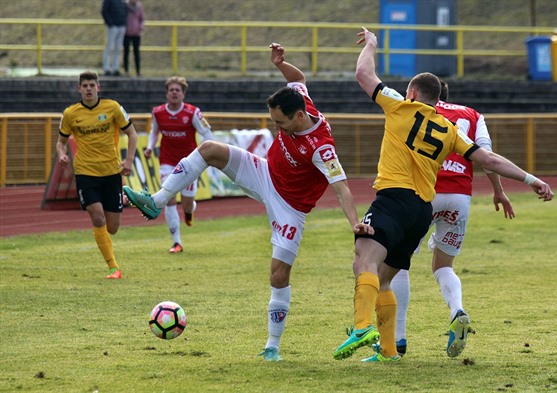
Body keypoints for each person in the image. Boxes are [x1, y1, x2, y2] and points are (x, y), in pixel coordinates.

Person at [123, 42, 372, 361]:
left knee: (279, 275)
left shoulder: (322, 148)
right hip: (265, 173)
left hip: (290, 207)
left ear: (299, 115)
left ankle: (272, 347)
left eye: (280, 123)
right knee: (210, 149)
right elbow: (299, 77)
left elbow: (342, 187)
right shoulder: (300, 99)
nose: (276, 127)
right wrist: (281, 64)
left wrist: (354, 221)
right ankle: (157, 201)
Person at [333, 27, 554, 364]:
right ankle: (391, 350)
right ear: (438, 99)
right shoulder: (450, 130)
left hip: (394, 199)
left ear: (411, 92)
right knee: (386, 277)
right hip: (421, 211)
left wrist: (373, 44)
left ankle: (363, 326)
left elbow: (363, 73)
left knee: (363, 261)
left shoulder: (399, 107)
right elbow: (488, 159)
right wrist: (530, 178)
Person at [389, 80, 516, 358]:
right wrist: (499, 191)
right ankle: (457, 309)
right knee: (443, 265)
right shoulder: (472, 115)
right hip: (459, 197)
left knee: (399, 262)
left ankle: (397, 339)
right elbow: (486, 156)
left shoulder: (414, 108)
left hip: (424, 191)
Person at [56, 71, 138, 279]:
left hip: (111, 172)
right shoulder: (70, 113)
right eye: (85, 86)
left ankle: (125, 197)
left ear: (98, 87)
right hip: (85, 173)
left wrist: (128, 160)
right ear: (79, 89)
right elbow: (61, 141)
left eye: (92, 85)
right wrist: (62, 154)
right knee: (98, 217)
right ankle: (113, 267)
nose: (89, 89)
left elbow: (132, 133)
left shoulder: (112, 108)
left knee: (113, 228)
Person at [145, 76, 214, 254]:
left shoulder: (192, 113)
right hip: (167, 161)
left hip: (190, 163)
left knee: (187, 204)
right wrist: (150, 147)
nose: (174, 93)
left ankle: (189, 211)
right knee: (169, 198)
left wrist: (207, 154)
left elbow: (207, 133)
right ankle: (176, 242)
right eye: (171, 90)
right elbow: (154, 132)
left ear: (183, 94)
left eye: (178, 90)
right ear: (167, 93)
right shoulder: (158, 112)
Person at [101, 0, 127, 76]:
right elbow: (104, 11)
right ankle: (106, 68)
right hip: (112, 27)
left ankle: (116, 68)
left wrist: (124, 22)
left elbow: (125, 10)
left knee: (118, 49)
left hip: (121, 26)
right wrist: (110, 23)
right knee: (109, 47)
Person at [123, 0, 144, 77]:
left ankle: (138, 71)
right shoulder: (125, 6)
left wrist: (140, 27)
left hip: (136, 33)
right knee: (126, 52)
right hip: (126, 33)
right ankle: (126, 71)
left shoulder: (139, 7)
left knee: (136, 53)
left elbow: (142, 19)